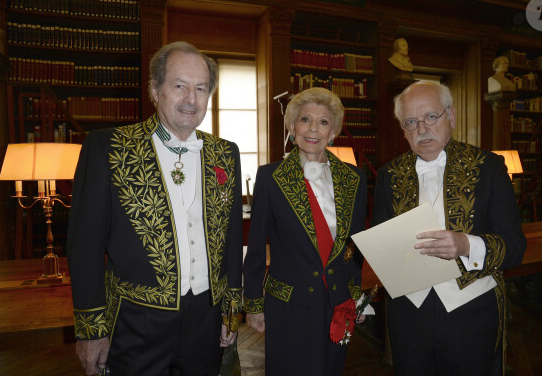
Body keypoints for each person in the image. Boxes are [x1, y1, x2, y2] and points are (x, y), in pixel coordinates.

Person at [67, 41, 243, 375]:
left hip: (207, 318)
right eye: (179, 86)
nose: (191, 99)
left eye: (201, 88)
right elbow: (84, 247)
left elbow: (233, 237)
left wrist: (231, 308)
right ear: (155, 90)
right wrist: (91, 331)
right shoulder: (109, 147)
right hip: (136, 320)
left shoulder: (226, 153)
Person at [373, 81, 526, 375]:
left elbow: (515, 245)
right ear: (402, 129)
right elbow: (382, 244)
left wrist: (467, 245)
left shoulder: (489, 167)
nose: (422, 129)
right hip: (407, 313)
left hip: (473, 309)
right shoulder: (388, 176)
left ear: (451, 116)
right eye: (411, 122)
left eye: (431, 117)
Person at [243, 87, 368, 375]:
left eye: (323, 122)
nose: (313, 129)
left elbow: (355, 246)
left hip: (339, 302)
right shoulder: (270, 177)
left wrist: (358, 298)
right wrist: (253, 304)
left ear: (334, 130)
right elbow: (256, 243)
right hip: (289, 304)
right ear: (291, 127)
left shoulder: (355, 178)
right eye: (305, 120)